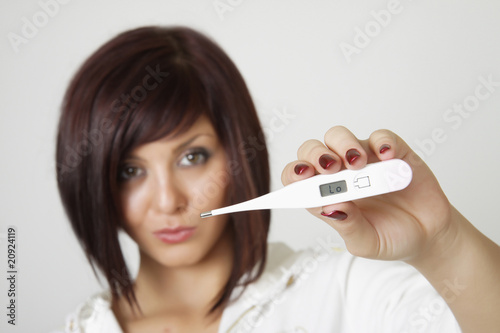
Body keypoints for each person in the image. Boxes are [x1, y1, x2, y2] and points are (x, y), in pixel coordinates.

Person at [54, 26, 500, 333]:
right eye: (130, 171)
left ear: (238, 151)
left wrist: (445, 242)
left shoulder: (349, 290)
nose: (168, 200)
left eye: (192, 156)